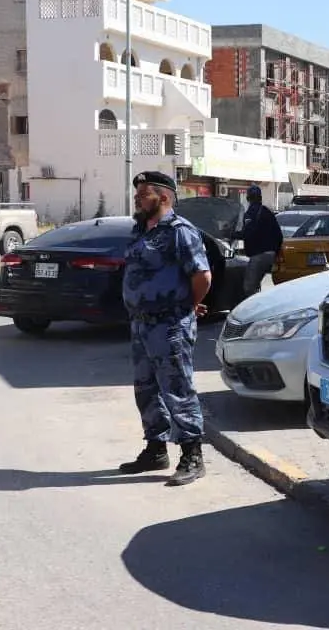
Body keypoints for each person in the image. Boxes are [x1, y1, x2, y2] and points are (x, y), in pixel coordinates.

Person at [119, 171, 212, 487]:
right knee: (146, 389)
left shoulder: (180, 232)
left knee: (177, 388)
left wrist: (187, 304)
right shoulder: (140, 230)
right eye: (137, 193)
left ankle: (192, 455)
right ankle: (156, 449)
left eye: (143, 193)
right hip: (141, 324)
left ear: (164, 197)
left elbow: (202, 276)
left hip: (169, 324)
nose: (137, 198)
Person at [236, 185, 283, 294]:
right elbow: (279, 235)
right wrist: (276, 252)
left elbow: (248, 233)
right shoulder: (267, 212)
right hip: (271, 254)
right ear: (260, 198)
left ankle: (255, 304)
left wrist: (231, 234)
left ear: (248, 198)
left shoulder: (251, 213)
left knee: (249, 288)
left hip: (259, 255)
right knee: (258, 284)